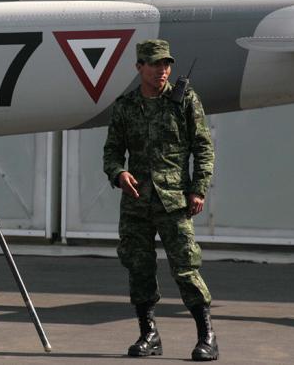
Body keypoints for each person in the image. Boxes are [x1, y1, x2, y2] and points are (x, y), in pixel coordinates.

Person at [102, 39, 219, 361]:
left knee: (185, 268)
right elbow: (112, 151)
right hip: (137, 201)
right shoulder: (125, 106)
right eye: (155, 64)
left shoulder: (184, 101)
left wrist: (198, 189)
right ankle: (148, 334)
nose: (162, 70)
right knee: (138, 267)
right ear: (140, 67)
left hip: (174, 201)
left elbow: (203, 148)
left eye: (166, 64)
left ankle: (207, 336)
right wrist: (117, 174)